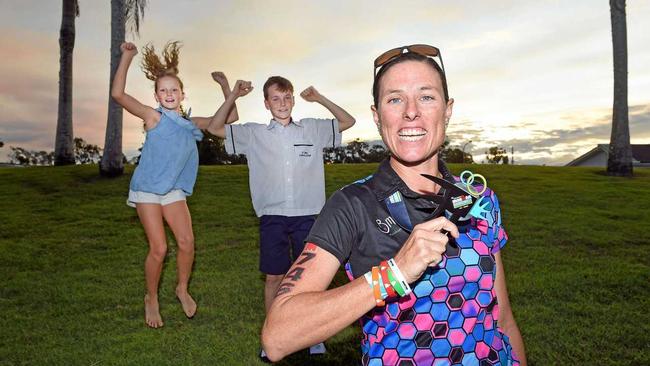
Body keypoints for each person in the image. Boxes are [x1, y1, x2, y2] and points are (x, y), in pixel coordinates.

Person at [261, 45, 527, 365]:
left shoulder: (479, 198)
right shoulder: (353, 204)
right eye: (395, 99)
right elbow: (277, 337)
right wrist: (394, 273)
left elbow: (504, 321)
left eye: (426, 96)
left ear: (447, 109)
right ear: (377, 116)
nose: (410, 111)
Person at [209, 76, 356, 357]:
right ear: (266, 103)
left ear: (293, 100)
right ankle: (273, 335)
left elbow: (347, 121)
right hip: (272, 217)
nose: (282, 103)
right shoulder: (253, 133)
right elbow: (216, 128)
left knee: (310, 280)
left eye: (287, 97)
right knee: (275, 278)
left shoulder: (312, 129)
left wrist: (320, 97)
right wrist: (234, 96)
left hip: (309, 215)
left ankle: (311, 334)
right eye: (275, 98)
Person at [111, 41, 251, 328]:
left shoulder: (190, 123)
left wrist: (228, 88)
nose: (169, 94)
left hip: (173, 190)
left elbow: (231, 117)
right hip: (148, 189)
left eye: (174, 89)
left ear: (182, 93)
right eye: (163, 90)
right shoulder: (153, 117)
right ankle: (151, 297)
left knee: (187, 243)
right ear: (156, 95)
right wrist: (127, 56)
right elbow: (117, 94)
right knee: (159, 249)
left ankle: (181, 288)